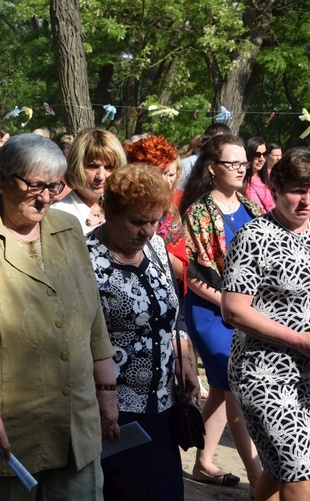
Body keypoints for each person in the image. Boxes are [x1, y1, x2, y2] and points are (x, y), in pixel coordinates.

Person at [0, 134, 117, 500]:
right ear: (2, 181)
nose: (45, 197)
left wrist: (106, 392)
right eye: (34, 185)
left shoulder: (69, 230)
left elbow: (93, 317)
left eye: (53, 186)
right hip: (6, 421)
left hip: (73, 420)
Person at [86, 164, 201, 500]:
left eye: (155, 220)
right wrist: (105, 397)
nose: (148, 231)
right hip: (113, 409)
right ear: (110, 212)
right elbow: (79, 338)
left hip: (163, 405)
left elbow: (171, 314)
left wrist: (185, 359)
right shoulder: (84, 258)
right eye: (137, 222)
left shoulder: (159, 249)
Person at [223, 147, 310, 501]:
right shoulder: (254, 236)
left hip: (307, 372)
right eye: (297, 190)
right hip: (264, 374)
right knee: (300, 470)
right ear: (274, 189)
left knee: (280, 467)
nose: (306, 200)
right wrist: (299, 341)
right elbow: (234, 310)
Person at [179, 134, 263, 491]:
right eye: (233, 163)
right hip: (211, 313)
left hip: (251, 312)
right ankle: (260, 480)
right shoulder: (197, 212)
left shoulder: (252, 207)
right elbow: (194, 276)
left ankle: (203, 461)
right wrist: (233, 303)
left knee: (219, 387)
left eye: (243, 162)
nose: (241, 168)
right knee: (235, 389)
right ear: (212, 168)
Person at [125, 134, 188, 283]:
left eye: (170, 174)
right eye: (160, 173)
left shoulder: (170, 210)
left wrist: (159, 253)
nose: (166, 181)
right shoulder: (118, 205)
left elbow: (180, 270)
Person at [51, 128, 126, 234]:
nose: (101, 176)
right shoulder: (58, 214)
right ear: (76, 166)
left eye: (109, 167)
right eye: (93, 166)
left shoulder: (120, 208)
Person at [243, 137, 274, 212]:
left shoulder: (271, 177)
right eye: (257, 155)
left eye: (265, 154)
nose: (261, 159)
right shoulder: (240, 180)